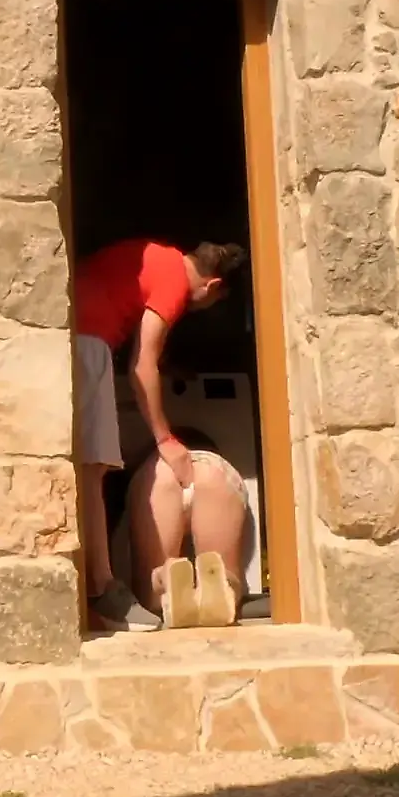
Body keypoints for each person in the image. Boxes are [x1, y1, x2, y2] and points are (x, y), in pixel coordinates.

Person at [73, 238, 247, 631]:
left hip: (75, 333)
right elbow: (141, 364)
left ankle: (149, 582)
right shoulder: (176, 282)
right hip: (88, 343)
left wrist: (167, 368)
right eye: (214, 302)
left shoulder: (155, 258)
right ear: (214, 286)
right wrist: (166, 439)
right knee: (92, 467)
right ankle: (102, 590)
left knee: (85, 468)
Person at [128, 426, 254, 629]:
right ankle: (224, 584)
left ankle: (165, 577)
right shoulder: (211, 457)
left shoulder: (149, 462)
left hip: (160, 471)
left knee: (149, 594)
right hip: (211, 469)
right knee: (224, 573)